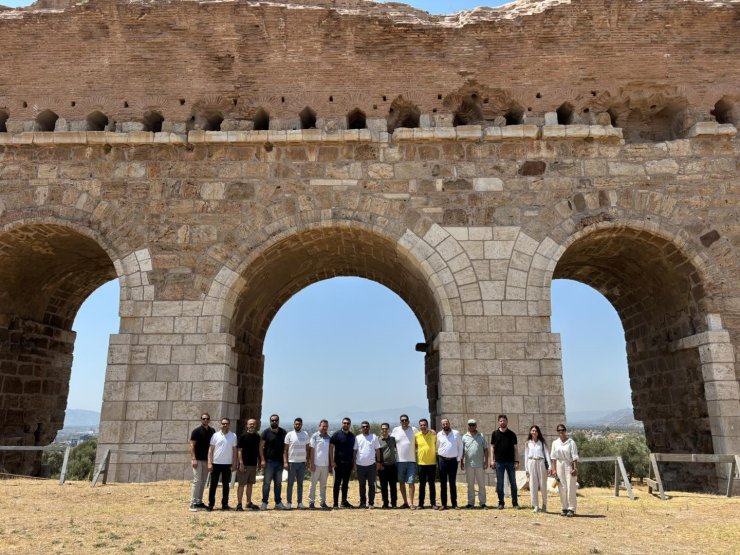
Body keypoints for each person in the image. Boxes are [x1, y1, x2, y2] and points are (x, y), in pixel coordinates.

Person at [207, 417, 238, 511]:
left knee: (226, 486)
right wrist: (209, 462)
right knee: (213, 485)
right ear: (220, 424)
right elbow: (210, 450)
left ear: (229, 425)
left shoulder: (233, 436)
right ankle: (211, 504)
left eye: (227, 423)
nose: (225, 425)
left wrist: (234, 463)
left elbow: (235, 451)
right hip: (216, 463)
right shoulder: (215, 435)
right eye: (223, 423)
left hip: (227, 464)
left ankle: (225, 504)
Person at [490, 414, 519, 510]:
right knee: (500, 484)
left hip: (511, 462)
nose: (502, 422)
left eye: (504, 420)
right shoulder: (494, 434)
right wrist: (492, 460)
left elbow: (515, 449)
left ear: (507, 421)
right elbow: (492, 447)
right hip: (499, 462)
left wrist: (516, 461)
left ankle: (515, 503)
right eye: (501, 421)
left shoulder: (512, 434)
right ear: (498, 422)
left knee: (513, 483)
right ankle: (501, 503)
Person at [260, 414, 288, 510]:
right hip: (269, 462)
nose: (274, 422)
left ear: (278, 421)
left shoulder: (283, 432)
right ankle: (264, 502)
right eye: (272, 420)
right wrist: (262, 460)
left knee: (278, 484)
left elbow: (285, 449)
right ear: (270, 421)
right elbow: (261, 447)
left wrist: (285, 462)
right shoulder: (266, 433)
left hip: (279, 462)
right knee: (267, 483)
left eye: (276, 420)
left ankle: (278, 502)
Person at [550, 424, 579, 517]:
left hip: (568, 464)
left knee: (571, 486)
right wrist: (554, 469)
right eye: (559, 430)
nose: (560, 432)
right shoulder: (555, 443)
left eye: (562, 430)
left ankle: (571, 508)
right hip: (559, 464)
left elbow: (574, 457)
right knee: (561, 487)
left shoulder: (571, 442)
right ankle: (564, 507)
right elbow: (553, 457)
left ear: (565, 431)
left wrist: (575, 468)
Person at [189, 412, 215, 511]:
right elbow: (192, 446)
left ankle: (199, 501)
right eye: (204, 418)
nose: (205, 420)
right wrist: (193, 459)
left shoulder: (212, 431)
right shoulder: (196, 431)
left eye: (207, 418)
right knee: (197, 481)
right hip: (198, 460)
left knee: (203, 481)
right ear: (201, 419)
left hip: (207, 460)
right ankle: (193, 502)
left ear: (209, 420)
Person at [391, 414, 417, 509]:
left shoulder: (414, 430)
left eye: (406, 420)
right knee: (401, 482)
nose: (404, 422)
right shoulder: (395, 430)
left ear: (408, 421)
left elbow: (420, 438)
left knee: (411, 482)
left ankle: (411, 503)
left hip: (411, 460)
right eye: (402, 420)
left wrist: (432, 431)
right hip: (400, 461)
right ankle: (405, 502)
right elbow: (391, 442)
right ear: (400, 422)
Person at [436, 417, 463, 510]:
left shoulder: (456, 433)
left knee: (452, 483)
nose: (445, 425)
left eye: (446, 423)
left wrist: (458, 459)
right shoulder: (439, 434)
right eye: (443, 424)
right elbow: (437, 447)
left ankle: (454, 504)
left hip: (453, 461)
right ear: (441, 425)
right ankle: (444, 504)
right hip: (442, 460)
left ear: (449, 423)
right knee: (443, 483)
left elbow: (460, 446)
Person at [330, 417, 356, 509]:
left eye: (348, 423)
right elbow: (331, 448)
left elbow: (354, 451)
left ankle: (344, 502)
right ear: (342, 424)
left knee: (345, 484)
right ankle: (335, 503)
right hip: (338, 464)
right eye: (344, 423)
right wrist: (332, 461)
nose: (346, 425)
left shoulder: (352, 436)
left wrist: (354, 463)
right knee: (337, 483)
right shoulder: (336, 435)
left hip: (348, 464)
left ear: (350, 424)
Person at [461, 419, 488, 509]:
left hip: (480, 464)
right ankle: (470, 503)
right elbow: (462, 451)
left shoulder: (481, 436)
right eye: (470, 425)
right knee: (470, 485)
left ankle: (483, 503)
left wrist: (486, 461)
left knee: (481, 485)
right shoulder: (464, 437)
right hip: (469, 465)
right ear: (467, 426)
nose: (471, 426)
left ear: (476, 426)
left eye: (473, 425)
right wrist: (462, 462)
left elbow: (486, 449)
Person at [523, 424, 551, 513]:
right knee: (533, 485)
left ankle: (544, 505)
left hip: (541, 462)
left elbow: (547, 454)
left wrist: (550, 466)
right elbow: (526, 456)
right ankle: (535, 505)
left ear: (538, 432)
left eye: (535, 431)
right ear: (530, 432)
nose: (534, 432)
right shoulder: (528, 443)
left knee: (543, 485)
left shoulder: (542, 443)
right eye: (532, 431)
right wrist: (526, 468)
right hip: (531, 463)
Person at [354, 421, 382, 508]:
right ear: (361, 428)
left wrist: (378, 462)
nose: (365, 428)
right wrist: (354, 463)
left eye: (366, 426)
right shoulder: (357, 438)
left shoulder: (374, 437)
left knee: (371, 485)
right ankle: (362, 503)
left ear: (369, 427)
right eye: (363, 427)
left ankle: (371, 503)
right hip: (360, 465)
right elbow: (355, 451)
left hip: (371, 465)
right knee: (361, 485)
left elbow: (377, 450)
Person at [284, 417, 310, 509]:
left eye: (299, 424)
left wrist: (308, 461)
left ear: (301, 425)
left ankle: (299, 503)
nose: (297, 425)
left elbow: (307, 448)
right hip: (292, 463)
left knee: (300, 484)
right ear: (294, 425)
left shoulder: (305, 434)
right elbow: (285, 450)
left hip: (302, 463)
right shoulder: (289, 435)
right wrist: (285, 462)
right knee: (290, 483)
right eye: (296, 424)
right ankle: (289, 503)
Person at [236, 418, 261, 511]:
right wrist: (241, 463)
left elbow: (258, 450)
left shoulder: (257, 437)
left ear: (255, 425)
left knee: (250, 484)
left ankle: (248, 502)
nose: (252, 425)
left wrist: (258, 462)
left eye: (253, 424)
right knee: (241, 484)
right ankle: (239, 504)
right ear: (247, 425)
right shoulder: (242, 436)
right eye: (250, 424)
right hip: (244, 464)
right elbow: (239, 451)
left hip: (253, 464)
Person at [308, 419, 332, 510]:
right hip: (316, 464)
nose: (324, 428)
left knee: (323, 485)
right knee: (313, 484)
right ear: (319, 426)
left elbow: (330, 452)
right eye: (323, 426)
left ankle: (322, 502)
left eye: (326, 426)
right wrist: (312, 463)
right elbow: (312, 450)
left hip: (325, 465)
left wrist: (330, 464)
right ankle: (311, 502)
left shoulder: (329, 438)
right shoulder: (314, 436)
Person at [415, 418, 437, 509]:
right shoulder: (416, 436)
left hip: (432, 463)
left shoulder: (433, 434)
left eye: (424, 425)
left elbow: (437, 444)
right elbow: (415, 446)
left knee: (432, 484)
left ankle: (433, 503)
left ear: (427, 425)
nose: (423, 426)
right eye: (421, 425)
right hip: (421, 463)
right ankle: (420, 504)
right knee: (422, 485)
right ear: (419, 426)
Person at [378, 422, 398, 509]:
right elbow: (376, 453)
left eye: (386, 428)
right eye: (383, 429)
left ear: (388, 429)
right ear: (381, 430)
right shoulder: (378, 441)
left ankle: (394, 503)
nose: (384, 430)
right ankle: (385, 503)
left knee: (393, 486)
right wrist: (379, 464)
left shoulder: (393, 439)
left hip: (392, 466)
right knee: (383, 486)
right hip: (382, 466)